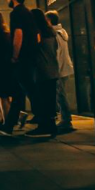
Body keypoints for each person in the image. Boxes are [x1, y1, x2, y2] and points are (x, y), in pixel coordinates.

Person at [0, 0, 39, 137]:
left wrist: (15, 55)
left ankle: (45, 121)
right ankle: (9, 125)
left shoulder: (17, 13)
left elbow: (18, 34)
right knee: (20, 92)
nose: (7, 0)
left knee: (29, 90)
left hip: (22, 58)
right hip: (30, 56)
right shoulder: (27, 12)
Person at [28, 9, 59, 138]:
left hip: (42, 70)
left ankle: (44, 126)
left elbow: (33, 50)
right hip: (52, 69)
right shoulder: (51, 32)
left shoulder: (38, 33)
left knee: (43, 99)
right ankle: (51, 126)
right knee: (50, 100)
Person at [45, 10, 75, 133]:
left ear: (49, 21)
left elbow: (56, 55)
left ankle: (66, 121)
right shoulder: (62, 33)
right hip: (65, 68)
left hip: (59, 69)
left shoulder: (54, 35)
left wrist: (53, 70)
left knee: (61, 96)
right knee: (61, 95)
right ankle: (65, 119)